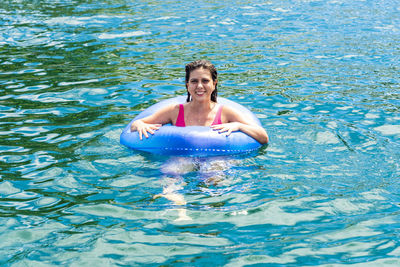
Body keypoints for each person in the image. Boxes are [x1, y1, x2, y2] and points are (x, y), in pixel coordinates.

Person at [130, 59, 269, 144]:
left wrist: (238, 126)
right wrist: (140, 126)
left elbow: (263, 137)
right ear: (187, 85)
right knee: (172, 177)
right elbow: (136, 124)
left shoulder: (226, 112)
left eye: (205, 81)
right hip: (182, 157)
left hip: (216, 158)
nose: (200, 86)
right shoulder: (175, 111)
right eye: (194, 81)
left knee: (214, 175)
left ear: (214, 84)